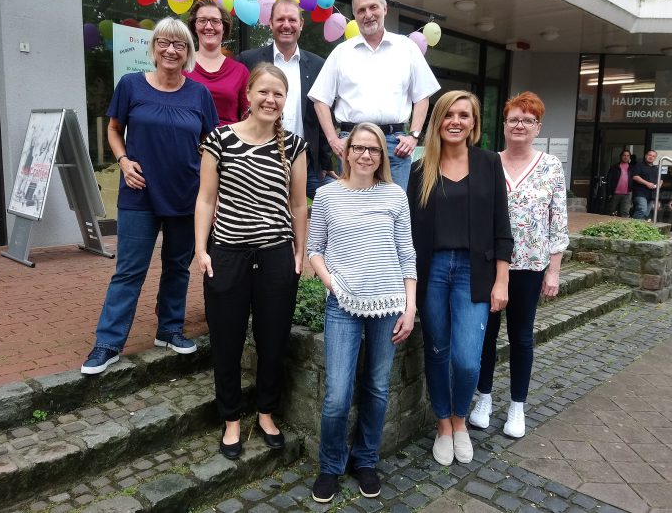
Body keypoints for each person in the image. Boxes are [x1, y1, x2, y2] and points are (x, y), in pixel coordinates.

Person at [81, 18, 218, 375]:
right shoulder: (131, 86)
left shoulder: (199, 94)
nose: (171, 50)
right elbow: (114, 130)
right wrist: (124, 162)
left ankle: (169, 329)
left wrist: (208, 185)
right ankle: (108, 343)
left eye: (179, 45)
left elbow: (210, 143)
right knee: (129, 271)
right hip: (139, 194)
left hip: (185, 194)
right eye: (164, 43)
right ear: (153, 47)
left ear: (187, 52)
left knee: (177, 266)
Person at [195, 63, 307, 460]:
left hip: (276, 255)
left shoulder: (294, 146)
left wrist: (299, 253)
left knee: (272, 340)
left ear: (284, 100)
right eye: (263, 92)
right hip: (227, 253)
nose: (270, 100)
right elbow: (206, 199)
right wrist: (201, 249)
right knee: (226, 340)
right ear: (248, 95)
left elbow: (298, 205)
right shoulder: (219, 139)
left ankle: (265, 412)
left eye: (278, 94)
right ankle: (231, 419)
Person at [307, 123, 416, 503]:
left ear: (382, 156)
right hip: (343, 304)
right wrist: (331, 284)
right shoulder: (326, 196)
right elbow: (313, 249)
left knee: (377, 387)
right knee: (337, 394)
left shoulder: (395, 195)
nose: (366, 155)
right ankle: (330, 466)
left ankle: (365, 460)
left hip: (388, 304)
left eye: (374, 149)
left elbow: (407, 254)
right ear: (347, 151)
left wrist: (410, 305)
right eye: (359, 148)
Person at [407, 91, 513, 466]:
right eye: (448, 114)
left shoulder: (488, 163)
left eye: (464, 115)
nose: (455, 121)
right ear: (438, 120)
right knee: (437, 351)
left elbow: (503, 225)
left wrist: (502, 280)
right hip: (433, 270)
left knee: (467, 359)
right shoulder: (422, 168)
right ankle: (443, 426)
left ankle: (460, 421)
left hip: (475, 270)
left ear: (474, 123)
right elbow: (409, 231)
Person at [469, 92, 569, 438]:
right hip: (489, 264)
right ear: (505, 124)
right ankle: (483, 398)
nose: (520, 125)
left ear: (537, 126)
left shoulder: (551, 167)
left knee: (521, 336)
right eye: (514, 119)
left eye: (527, 120)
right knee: (486, 336)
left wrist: (553, 271)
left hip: (529, 267)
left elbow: (559, 222)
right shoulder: (488, 163)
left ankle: (517, 406)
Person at [308, 0, 440, 191]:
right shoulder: (341, 53)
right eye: (361, 10)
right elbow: (320, 100)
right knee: (353, 212)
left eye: (373, 7)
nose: (368, 14)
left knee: (393, 211)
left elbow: (422, 95)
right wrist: (333, 140)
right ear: (355, 15)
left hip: (395, 147)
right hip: (353, 144)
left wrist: (414, 135)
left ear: (385, 8)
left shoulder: (407, 48)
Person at [237, 0, 336, 198]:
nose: (286, 25)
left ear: (301, 24)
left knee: (336, 201)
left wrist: (325, 162)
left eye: (292, 20)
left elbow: (323, 115)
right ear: (270, 23)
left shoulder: (318, 65)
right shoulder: (249, 60)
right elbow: (239, 108)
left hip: (306, 162)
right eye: (280, 19)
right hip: (259, 159)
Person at [186, 0, 249, 125]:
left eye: (215, 21)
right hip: (188, 142)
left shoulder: (240, 72)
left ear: (224, 28)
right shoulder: (182, 65)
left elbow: (248, 119)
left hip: (228, 143)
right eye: (202, 21)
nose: (208, 27)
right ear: (195, 27)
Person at [631, 150, 661, 220]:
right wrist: (647, 183)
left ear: (655, 158)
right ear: (645, 156)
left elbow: (661, 179)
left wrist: (659, 185)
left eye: (653, 156)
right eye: (650, 155)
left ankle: (639, 228)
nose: (651, 157)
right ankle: (632, 225)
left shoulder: (656, 168)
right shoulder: (639, 165)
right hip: (640, 193)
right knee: (642, 209)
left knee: (646, 213)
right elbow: (635, 177)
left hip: (652, 194)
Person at [605, 149, 633, 217]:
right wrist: (609, 193)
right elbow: (609, 180)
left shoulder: (632, 168)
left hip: (627, 193)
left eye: (627, 155)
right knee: (611, 211)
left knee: (625, 212)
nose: (626, 157)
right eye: (624, 155)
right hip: (615, 193)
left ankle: (624, 227)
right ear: (621, 156)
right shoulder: (614, 167)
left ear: (629, 157)